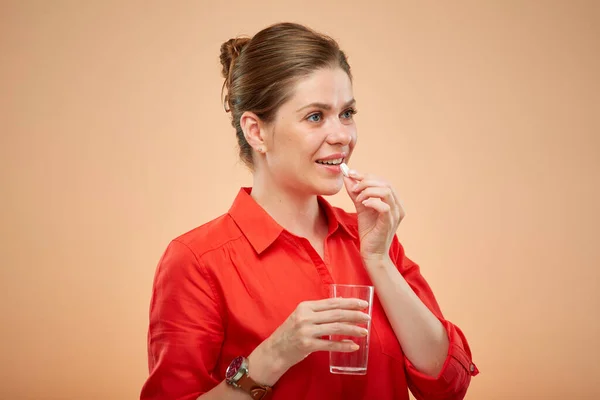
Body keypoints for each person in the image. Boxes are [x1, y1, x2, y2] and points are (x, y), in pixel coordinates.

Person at [140, 22, 479, 400]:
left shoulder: (372, 238)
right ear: (256, 132)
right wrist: (273, 356)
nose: (342, 136)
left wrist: (379, 261)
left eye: (347, 113)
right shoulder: (197, 261)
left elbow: (448, 384)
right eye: (316, 116)